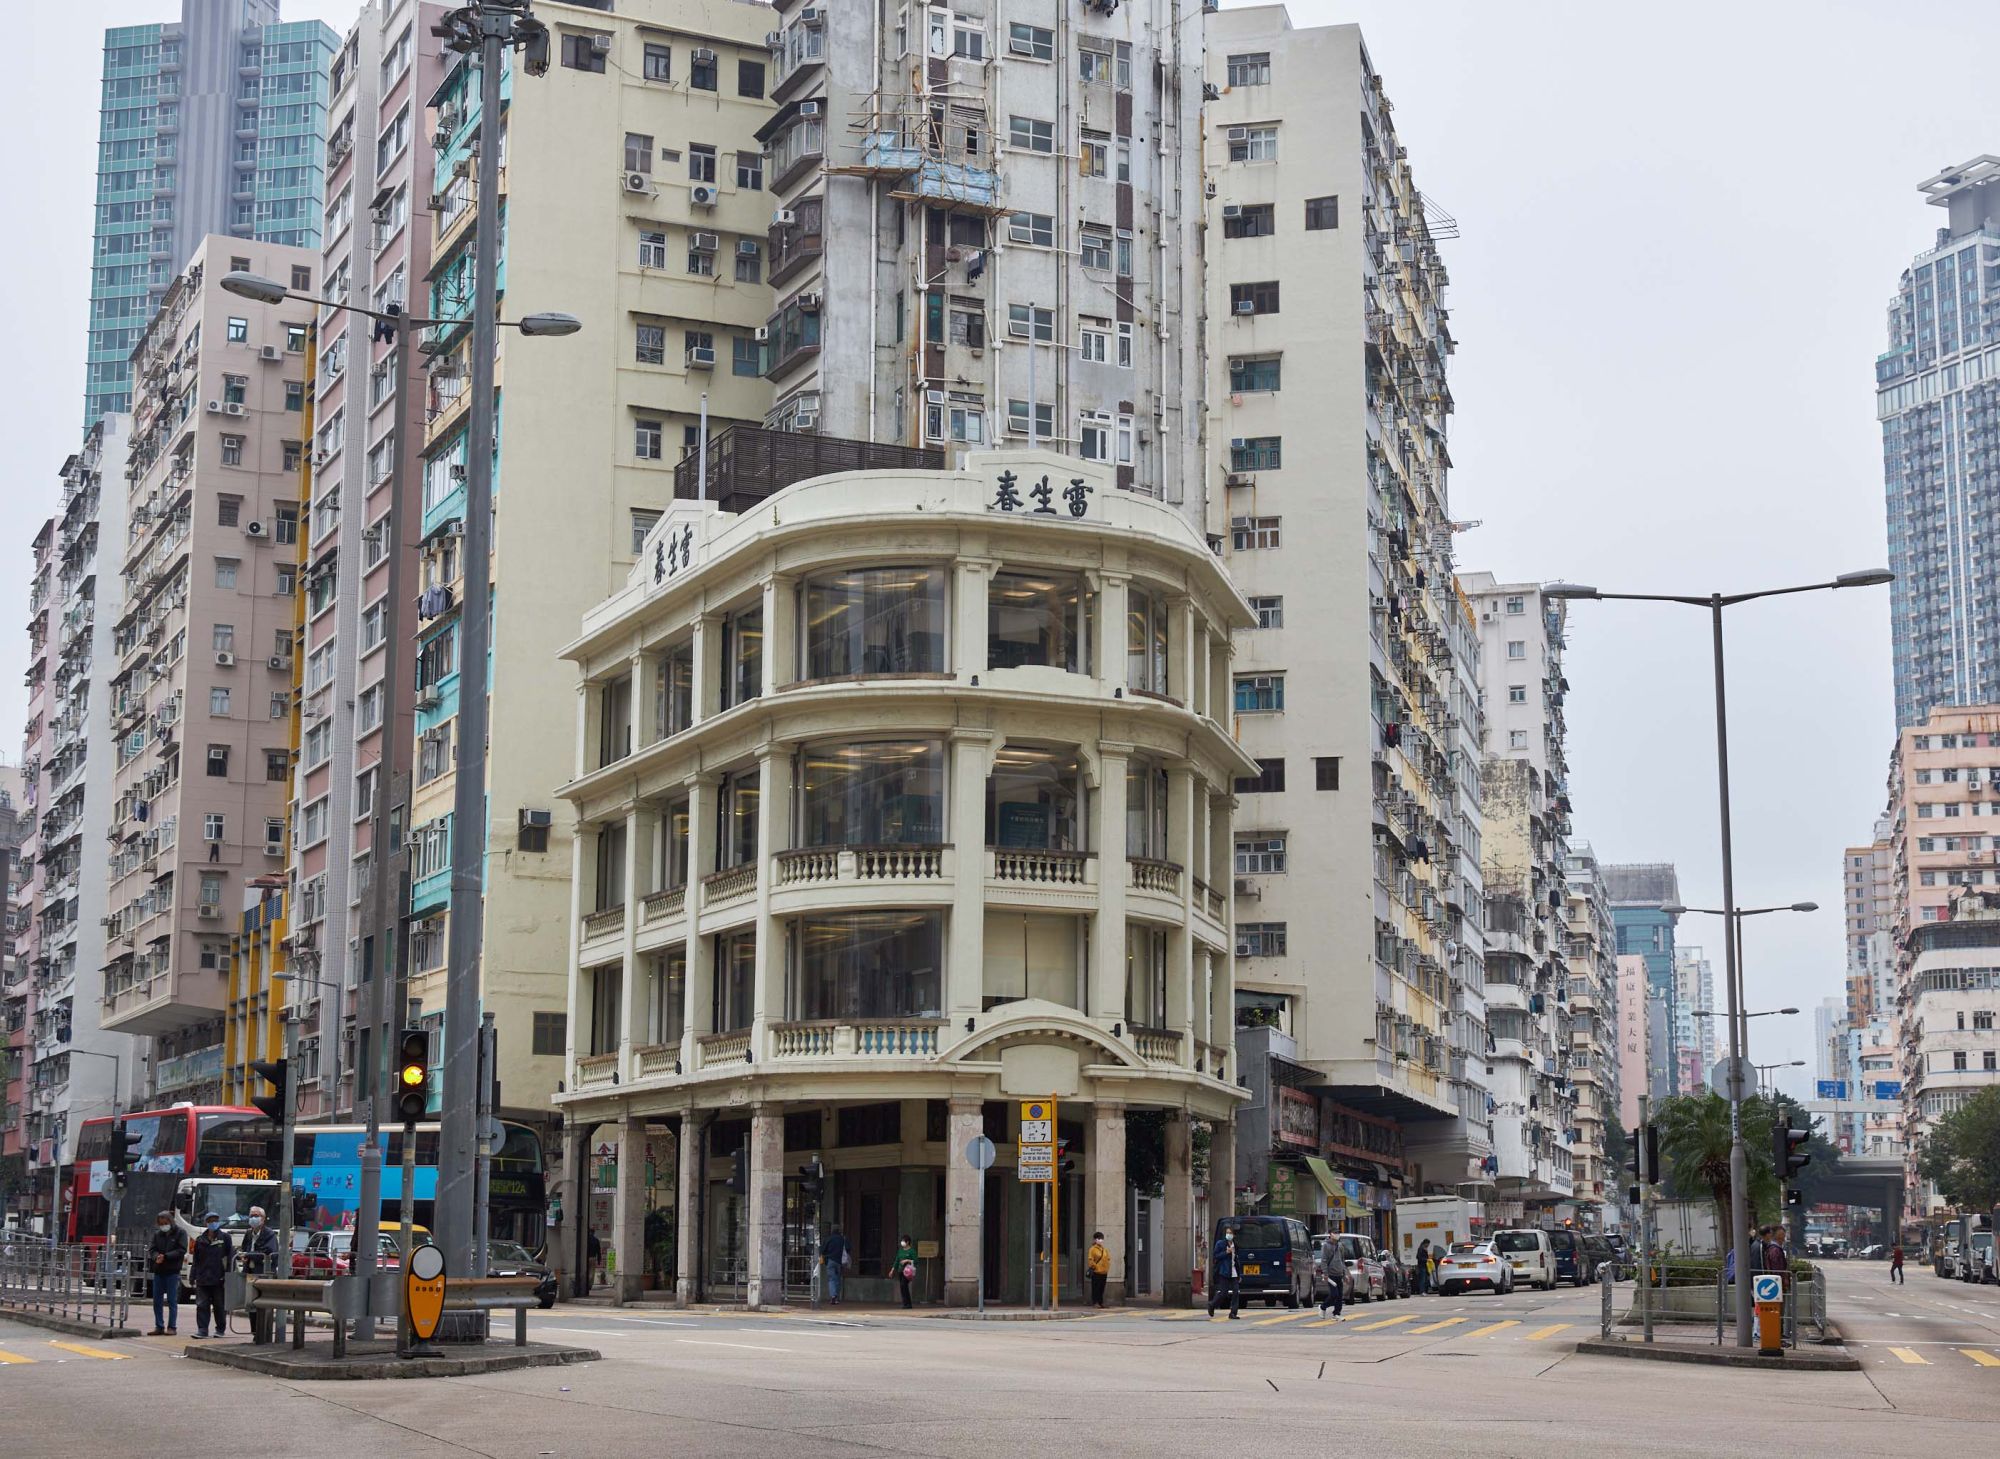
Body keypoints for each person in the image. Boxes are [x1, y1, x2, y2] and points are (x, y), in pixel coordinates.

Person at [239, 1207, 282, 1344]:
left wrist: (249, 1255)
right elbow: (244, 1249)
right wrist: (244, 1256)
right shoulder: (248, 1233)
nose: (253, 1218)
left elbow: (269, 1252)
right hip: (249, 1273)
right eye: (251, 1215)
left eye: (256, 1216)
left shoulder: (269, 1234)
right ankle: (255, 1333)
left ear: (263, 1219)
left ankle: (263, 1333)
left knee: (262, 1305)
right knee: (251, 1305)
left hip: (263, 1274)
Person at [188, 1212, 232, 1339]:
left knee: (219, 1305)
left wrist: (228, 1275)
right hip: (202, 1278)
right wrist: (193, 1276)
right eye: (210, 1220)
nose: (213, 1223)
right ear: (206, 1223)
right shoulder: (200, 1240)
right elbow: (196, 1260)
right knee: (201, 1305)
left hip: (219, 1278)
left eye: (216, 1220)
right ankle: (202, 1329)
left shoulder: (225, 1238)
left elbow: (230, 1258)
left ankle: (220, 1329)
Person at [146, 1211, 184, 1335]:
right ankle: (159, 1326)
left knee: (172, 1300)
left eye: (165, 1223)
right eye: (161, 1223)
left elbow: (181, 1250)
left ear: (171, 1221)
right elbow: (152, 1249)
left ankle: (172, 1327)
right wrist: (156, 1256)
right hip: (159, 1271)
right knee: (157, 1300)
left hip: (172, 1271)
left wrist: (166, 1256)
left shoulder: (180, 1233)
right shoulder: (157, 1235)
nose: (163, 1225)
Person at [1208, 1226, 1241, 1319]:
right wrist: (1226, 1252)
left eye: (1230, 1233)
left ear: (1234, 1235)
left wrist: (1239, 1274)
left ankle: (1233, 1313)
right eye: (1227, 1233)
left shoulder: (1235, 1245)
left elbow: (1236, 1260)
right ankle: (1212, 1304)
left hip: (1234, 1271)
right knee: (1223, 1293)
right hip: (1224, 1271)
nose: (1228, 1235)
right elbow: (1216, 1256)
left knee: (1236, 1292)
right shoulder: (1220, 1244)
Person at [1319, 1234, 1347, 1319]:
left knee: (1340, 1295)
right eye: (1335, 1233)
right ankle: (1323, 1307)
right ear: (1330, 1235)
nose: (1337, 1235)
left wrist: (1344, 1273)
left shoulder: (1340, 1245)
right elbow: (1323, 1260)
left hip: (1339, 1273)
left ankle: (1336, 1313)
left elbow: (1342, 1260)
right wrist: (1325, 1273)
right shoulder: (1326, 1246)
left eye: (1338, 1233)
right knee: (1334, 1294)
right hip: (1331, 1274)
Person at [822, 1225, 850, 1305]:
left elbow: (823, 1250)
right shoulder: (843, 1239)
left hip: (830, 1261)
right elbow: (848, 1248)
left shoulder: (828, 1238)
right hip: (840, 1261)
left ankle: (833, 1296)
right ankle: (836, 1297)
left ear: (832, 1231)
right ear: (839, 1231)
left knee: (831, 1279)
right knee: (837, 1279)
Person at [1087, 1232, 1111, 1308]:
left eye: (1101, 1238)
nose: (1100, 1240)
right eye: (1099, 1238)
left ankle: (1101, 1302)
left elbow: (1108, 1258)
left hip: (1104, 1272)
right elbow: (1091, 1259)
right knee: (1095, 1288)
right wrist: (1095, 1266)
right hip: (1096, 1272)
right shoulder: (1092, 1249)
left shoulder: (1104, 1249)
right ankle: (1095, 1302)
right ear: (1095, 1240)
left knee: (1101, 1288)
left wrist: (1107, 1267)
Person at [894, 1234, 917, 1308]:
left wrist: (907, 1260)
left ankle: (908, 1304)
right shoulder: (900, 1251)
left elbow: (916, 1261)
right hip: (900, 1271)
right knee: (902, 1287)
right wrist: (892, 1270)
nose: (902, 1242)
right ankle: (905, 1303)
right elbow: (896, 1261)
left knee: (904, 1285)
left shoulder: (912, 1251)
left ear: (907, 1242)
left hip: (908, 1272)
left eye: (903, 1241)